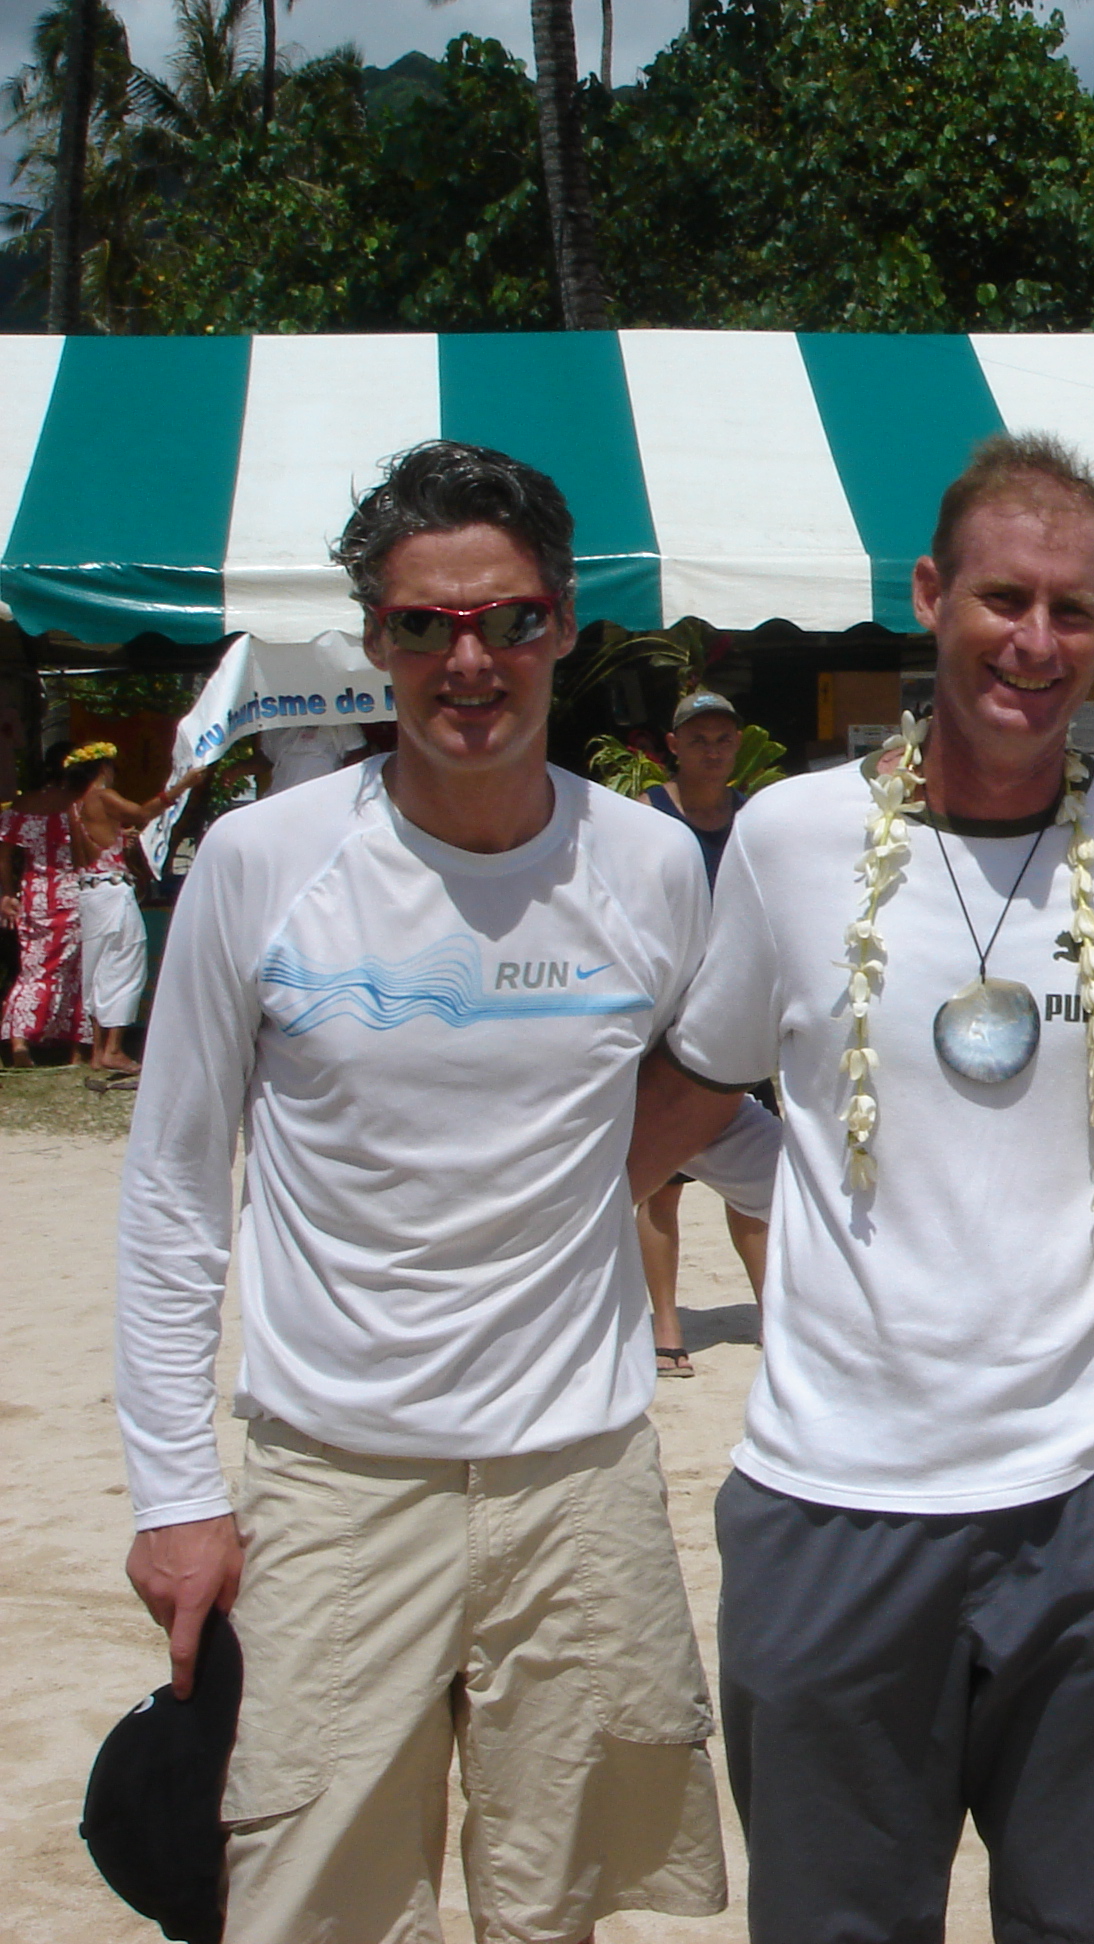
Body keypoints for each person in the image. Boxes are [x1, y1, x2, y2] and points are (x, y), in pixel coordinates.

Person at [116, 440, 765, 1944]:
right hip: (334, 1482)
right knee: (309, 1906)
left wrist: (898, 1194)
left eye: (509, 619)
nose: (470, 661)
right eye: (426, 626)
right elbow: (171, 1194)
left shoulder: (655, 866)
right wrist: (174, 1495)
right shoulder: (265, 864)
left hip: (578, 1476)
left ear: (564, 629)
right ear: (376, 641)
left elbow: (702, 1120)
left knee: (557, 1910)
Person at [629, 430, 1094, 1944]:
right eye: (1001, 597)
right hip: (834, 1497)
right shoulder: (790, 838)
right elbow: (693, 1098)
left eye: (1072, 609)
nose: (1033, 642)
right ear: (929, 596)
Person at [636, 687, 770, 1375]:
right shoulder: (648, 818)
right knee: (662, 1182)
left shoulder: (757, 819)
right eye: (699, 738)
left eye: (724, 738)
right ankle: (666, 1321)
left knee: (757, 1183)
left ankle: (771, 1312)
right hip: (672, 1017)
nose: (713, 750)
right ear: (674, 744)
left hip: (749, 1017)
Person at [66, 740, 209, 1079]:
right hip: (112, 892)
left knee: (99, 969)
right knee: (124, 965)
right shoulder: (102, 796)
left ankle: (99, 1051)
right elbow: (144, 813)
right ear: (103, 768)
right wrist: (183, 785)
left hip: (89, 892)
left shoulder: (74, 806)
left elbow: (93, 848)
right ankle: (113, 1049)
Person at [1, 740, 88, 1064]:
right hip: (74, 892)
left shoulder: (24, 804)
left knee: (32, 970)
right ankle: (75, 1048)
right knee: (74, 972)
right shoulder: (80, 804)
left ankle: (20, 1044)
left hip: (35, 893)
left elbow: (4, 854)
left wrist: (6, 893)